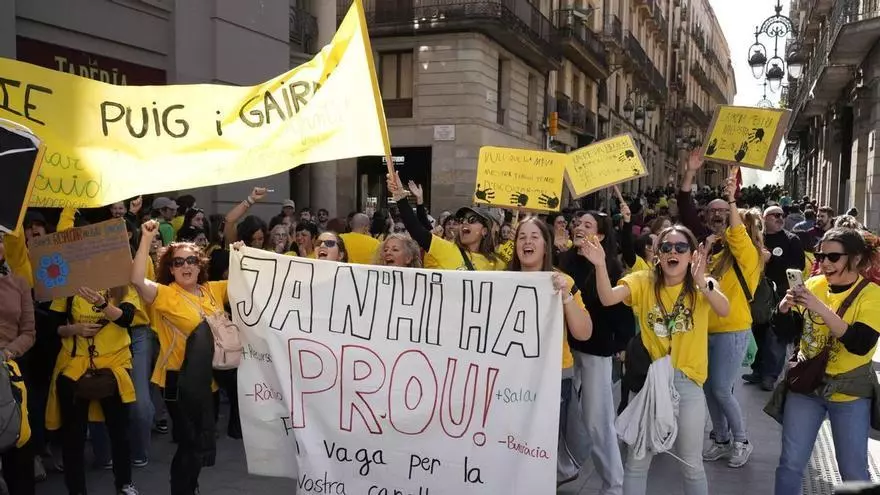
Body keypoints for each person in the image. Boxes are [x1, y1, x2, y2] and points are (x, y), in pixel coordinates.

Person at [585, 225, 730, 495]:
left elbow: (724, 308)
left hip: (688, 382)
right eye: (666, 247)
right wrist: (600, 265)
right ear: (657, 254)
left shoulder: (704, 284)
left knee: (691, 464)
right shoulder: (642, 281)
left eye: (680, 247)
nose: (672, 252)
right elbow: (607, 298)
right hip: (651, 382)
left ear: (691, 255)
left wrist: (701, 281)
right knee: (637, 461)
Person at [771, 228, 880, 494]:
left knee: (853, 470)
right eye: (821, 255)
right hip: (806, 386)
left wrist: (820, 308)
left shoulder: (872, 294)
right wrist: (783, 309)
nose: (825, 262)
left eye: (833, 256)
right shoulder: (813, 284)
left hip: (849, 391)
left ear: (854, 259)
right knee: (790, 463)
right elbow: (786, 332)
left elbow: (859, 343)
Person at [131, 220, 226, 495]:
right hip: (176, 381)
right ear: (170, 268)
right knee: (189, 443)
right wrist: (146, 238)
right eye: (179, 262)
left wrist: (243, 252)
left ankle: (190, 486)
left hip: (209, 381)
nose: (186, 266)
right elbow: (137, 280)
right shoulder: (165, 294)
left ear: (200, 264)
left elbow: (252, 276)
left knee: (200, 442)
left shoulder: (214, 289)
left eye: (192, 260)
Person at [679, 153, 760, 468]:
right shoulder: (706, 249)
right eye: (712, 212)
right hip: (705, 331)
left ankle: (742, 441)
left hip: (733, 330)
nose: (718, 216)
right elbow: (685, 207)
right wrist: (689, 173)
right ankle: (721, 439)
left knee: (721, 389)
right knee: (711, 390)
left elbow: (737, 234)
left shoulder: (746, 254)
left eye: (723, 213)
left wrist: (732, 200)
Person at [507, 217, 592, 487]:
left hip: (554, 378)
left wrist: (566, 296)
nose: (528, 242)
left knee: (545, 449)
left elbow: (584, 332)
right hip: (510, 380)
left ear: (546, 245)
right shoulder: (500, 281)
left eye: (534, 236)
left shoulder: (563, 281)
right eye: (522, 237)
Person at [558, 210, 634, 495]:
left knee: (596, 419)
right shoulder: (564, 261)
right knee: (564, 414)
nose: (579, 227)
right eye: (578, 223)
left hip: (595, 353)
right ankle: (564, 468)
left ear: (600, 236)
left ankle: (613, 483)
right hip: (566, 352)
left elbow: (619, 313)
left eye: (588, 225)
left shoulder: (610, 267)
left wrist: (622, 347)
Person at [47, 286, 139, 495]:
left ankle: (124, 484)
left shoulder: (124, 286)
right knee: (73, 436)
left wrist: (102, 304)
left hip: (115, 367)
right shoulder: (69, 287)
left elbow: (126, 318)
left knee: (120, 432)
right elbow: (52, 326)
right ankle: (76, 489)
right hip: (75, 368)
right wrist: (74, 329)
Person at [743, 205, 805, 391]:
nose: (780, 218)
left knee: (775, 336)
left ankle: (770, 375)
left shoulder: (792, 239)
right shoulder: (757, 238)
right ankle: (757, 370)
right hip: (759, 294)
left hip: (781, 295)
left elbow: (797, 266)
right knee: (758, 332)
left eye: (782, 215)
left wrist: (772, 260)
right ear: (764, 218)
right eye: (775, 215)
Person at [389, 174, 504, 271]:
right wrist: (400, 197)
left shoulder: (498, 265)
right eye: (462, 220)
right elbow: (416, 229)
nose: (464, 223)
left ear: (484, 231)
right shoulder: (446, 249)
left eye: (472, 220)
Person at [0, 232, 36, 494]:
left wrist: (8, 353)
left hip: (8, 370)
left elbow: (29, 332)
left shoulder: (19, 282)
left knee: (17, 443)